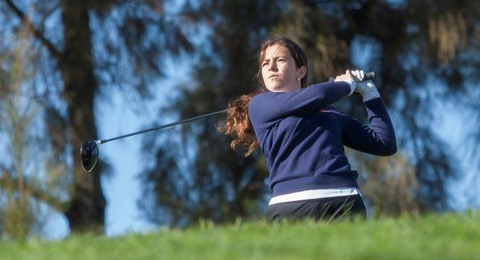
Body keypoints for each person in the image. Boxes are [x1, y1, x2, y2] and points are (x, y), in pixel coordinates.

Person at [220, 37, 397, 222]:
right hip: (289, 205)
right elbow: (319, 93)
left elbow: (384, 143)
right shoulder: (260, 105)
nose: (271, 67)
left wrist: (370, 95)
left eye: (279, 60)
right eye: (265, 63)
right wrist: (346, 85)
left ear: (301, 71)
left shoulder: (328, 112)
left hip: (341, 199)